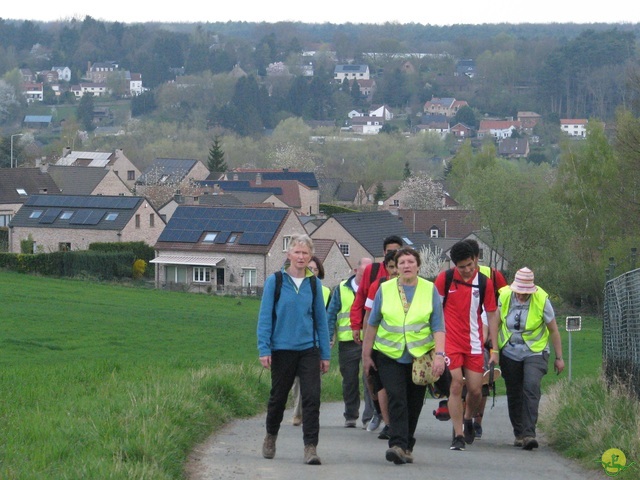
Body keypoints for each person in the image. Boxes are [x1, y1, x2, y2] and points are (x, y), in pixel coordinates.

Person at [362, 247, 446, 464]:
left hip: (419, 356)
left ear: (418, 266)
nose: (407, 266)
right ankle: (397, 444)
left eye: (410, 262)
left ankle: (407, 444)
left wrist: (439, 355)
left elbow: (438, 325)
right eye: (402, 263)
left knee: (414, 402)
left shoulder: (429, 289)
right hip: (389, 354)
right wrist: (366, 354)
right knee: (396, 397)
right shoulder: (385, 289)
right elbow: (372, 323)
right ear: (396, 267)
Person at [257, 234, 331, 465]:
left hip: (309, 349)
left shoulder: (314, 284)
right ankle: (271, 436)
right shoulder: (275, 281)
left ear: (311, 257)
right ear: (289, 254)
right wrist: (264, 348)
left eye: (305, 253)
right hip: (281, 349)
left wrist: (325, 355)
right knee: (278, 398)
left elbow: (321, 320)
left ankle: (310, 447)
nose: (301, 257)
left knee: (311, 398)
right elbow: (265, 318)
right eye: (297, 252)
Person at [489, 267, 565, 450]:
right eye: (519, 292)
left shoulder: (542, 300)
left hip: (535, 351)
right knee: (514, 391)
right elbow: (495, 323)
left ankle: (530, 434)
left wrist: (559, 357)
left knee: (531, 386)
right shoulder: (505, 296)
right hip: (509, 351)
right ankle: (519, 433)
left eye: (525, 293)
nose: (521, 296)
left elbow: (553, 330)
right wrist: (494, 350)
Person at [434, 240, 498, 451]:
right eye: (462, 267)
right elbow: (434, 311)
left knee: (476, 390)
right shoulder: (445, 279)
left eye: (470, 265)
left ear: (476, 259)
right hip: (450, 341)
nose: (467, 270)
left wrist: (494, 348)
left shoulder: (485, 283)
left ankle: (469, 418)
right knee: (455, 384)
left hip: (474, 343)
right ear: (455, 265)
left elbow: (491, 313)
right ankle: (458, 435)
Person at [350, 235, 404, 431]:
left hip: (400, 340)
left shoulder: (409, 278)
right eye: (390, 251)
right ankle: (377, 413)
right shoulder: (373, 275)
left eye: (397, 251)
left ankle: (393, 420)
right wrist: (357, 326)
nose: (393, 255)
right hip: (376, 334)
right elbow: (361, 301)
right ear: (383, 253)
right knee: (371, 377)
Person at [465, 238, 508, 439]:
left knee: (483, 382)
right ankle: (465, 419)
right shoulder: (455, 275)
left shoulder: (492, 275)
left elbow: (502, 303)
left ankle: (477, 422)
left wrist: (493, 336)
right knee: (463, 383)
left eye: (469, 260)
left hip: (485, 336)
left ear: (476, 259)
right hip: (463, 334)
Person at [326, 257, 373, 428]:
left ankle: (369, 416)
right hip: (347, 342)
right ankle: (351, 415)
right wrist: (329, 336)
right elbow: (331, 314)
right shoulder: (341, 289)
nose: (367, 275)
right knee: (349, 380)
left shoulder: (376, 288)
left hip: (370, 340)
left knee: (370, 378)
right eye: (364, 271)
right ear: (356, 270)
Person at [362, 250, 399, 439]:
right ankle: (388, 423)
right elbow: (368, 316)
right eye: (391, 267)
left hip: (405, 347)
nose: (395, 271)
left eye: (397, 266)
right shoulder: (379, 286)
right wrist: (365, 348)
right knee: (381, 386)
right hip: (381, 345)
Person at [291, 255, 331, 427]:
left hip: (315, 342)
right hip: (296, 341)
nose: (312, 272)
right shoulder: (295, 288)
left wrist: (328, 341)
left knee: (312, 382)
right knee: (297, 380)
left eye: (315, 269)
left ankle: (307, 414)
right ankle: (297, 412)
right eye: (310, 269)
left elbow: (327, 319)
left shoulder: (326, 291)